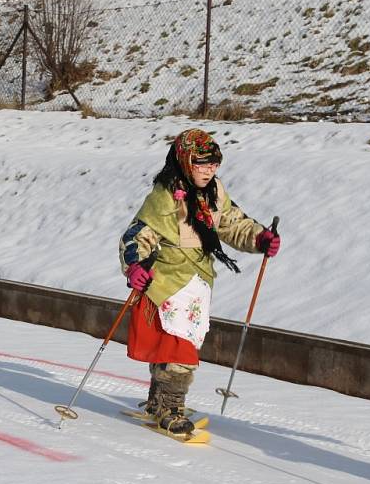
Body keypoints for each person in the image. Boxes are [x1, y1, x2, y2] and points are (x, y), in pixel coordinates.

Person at [119, 128, 280, 434]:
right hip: (166, 283)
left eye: (215, 163)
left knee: (183, 341)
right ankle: (170, 407)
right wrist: (135, 264)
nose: (210, 169)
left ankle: (158, 398)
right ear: (184, 160)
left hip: (197, 282)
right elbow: (139, 234)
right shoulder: (165, 197)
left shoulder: (213, 193)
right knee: (180, 348)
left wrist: (259, 237)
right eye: (202, 163)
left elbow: (232, 222)